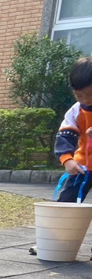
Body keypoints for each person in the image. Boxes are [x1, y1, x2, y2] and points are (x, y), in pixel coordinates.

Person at [54, 56, 92, 203]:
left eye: (90, 94)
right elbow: (64, 136)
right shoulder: (76, 111)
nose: (86, 100)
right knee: (67, 200)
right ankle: (62, 218)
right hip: (83, 164)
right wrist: (67, 160)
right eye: (79, 95)